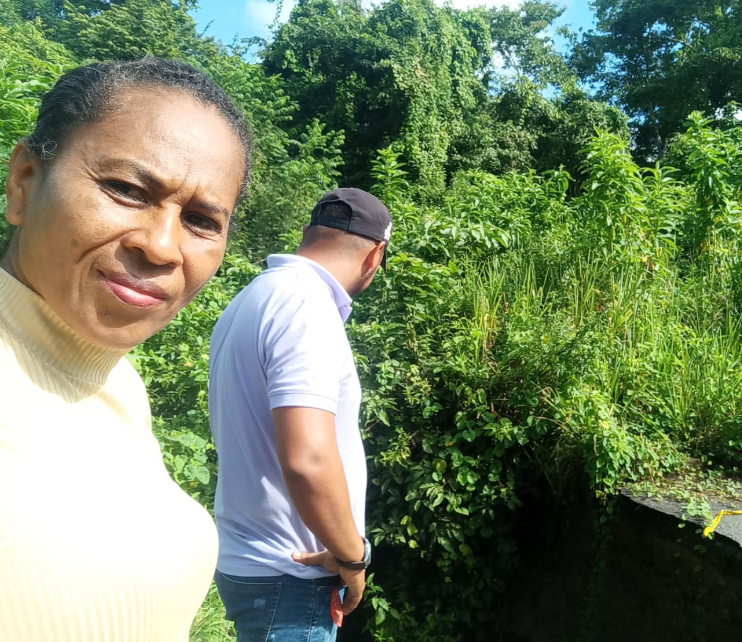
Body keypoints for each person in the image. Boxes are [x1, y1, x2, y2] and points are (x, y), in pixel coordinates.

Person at [0, 57, 250, 642]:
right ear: (24, 181)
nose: (162, 246)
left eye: (201, 220)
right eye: (127, 190)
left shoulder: (119, 385)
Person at [209, 188, 392, 641]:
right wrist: (353, 557)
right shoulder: (308, 307)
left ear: (308, 232)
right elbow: (308, 459)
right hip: (290, 579)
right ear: (375, 255)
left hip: (255, 564)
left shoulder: (255, 296)